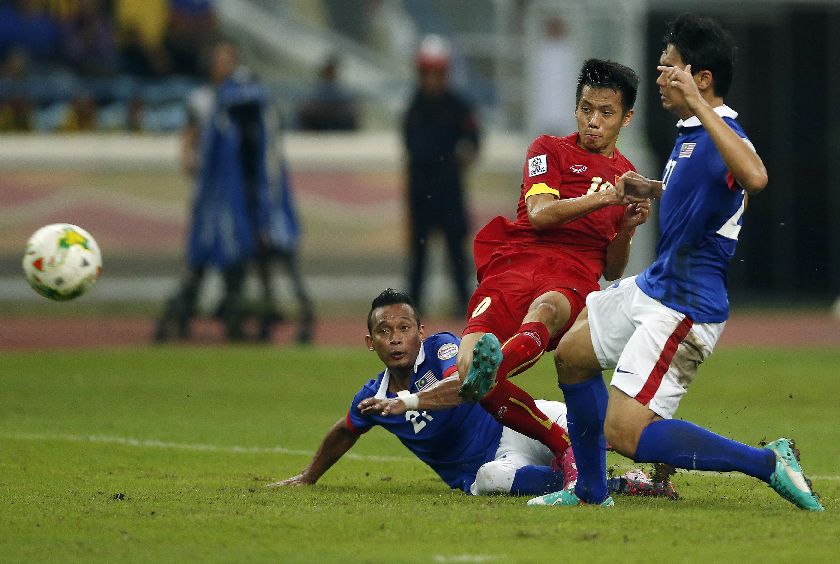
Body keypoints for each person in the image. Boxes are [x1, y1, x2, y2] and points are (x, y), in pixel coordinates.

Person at [528, 14, 823, 511]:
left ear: (700, 79)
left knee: (624, 431)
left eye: (670, 69)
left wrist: (704, 110)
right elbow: (716, 202)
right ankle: (590, 492)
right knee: (573, 353)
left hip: (686, 305)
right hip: (657, 285)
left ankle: (768, 463)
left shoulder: (721, 131)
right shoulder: (689, 135)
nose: (660, 76)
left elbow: (755, 177)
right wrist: (650, 195)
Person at [269, 289, 676, 498]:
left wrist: (408, 401)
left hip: (517, 425)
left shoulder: (444, 348)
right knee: (491, 479)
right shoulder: (374, 398)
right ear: (369, 342)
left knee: (598, 423)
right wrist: (308, 477)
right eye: (385, 332)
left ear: (420, 332)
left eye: (404, 329)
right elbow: (345, 430)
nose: (396, 340)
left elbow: (466, 388)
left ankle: (671, 454)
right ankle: (619, 485)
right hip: (487, 464)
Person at [455, 59, 653, 475]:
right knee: (467, 363)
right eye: (585, 109)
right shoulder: (548, 150)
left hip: (572, 275)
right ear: (575, 108)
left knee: (545, 310)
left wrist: (627, 229)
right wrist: (607, 200)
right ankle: (562, 445)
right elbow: (541, 214)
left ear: (627, 117)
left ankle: (490, 373)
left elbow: (613, 269)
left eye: (606, 113)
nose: (593, 122)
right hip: (514, 263)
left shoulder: (625, 176)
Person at [154, 40, 314, 343]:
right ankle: (191, 316)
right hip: (215, 196)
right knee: (205, 261)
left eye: (230, 59)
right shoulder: (202, 100)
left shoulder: (249, 100)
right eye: (220, 59)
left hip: (245, 198)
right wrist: (193, 163)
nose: (225, 65)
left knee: (242, 262)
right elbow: (190, 141)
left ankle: (236, 318)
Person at [403, 34, 479, 317]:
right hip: (421, 193)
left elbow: (473, 141)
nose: (433, 79)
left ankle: (464, 307)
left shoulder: (459, 106)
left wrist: (466, 152)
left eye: (438, 72)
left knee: (457, 255)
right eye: (428, 72)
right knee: (418, 257)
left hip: (450, 191)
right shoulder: (414, 107)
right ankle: (412, 310)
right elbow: (413, 149)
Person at [297, 54, 359, 131]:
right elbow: (309, 103)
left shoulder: (338, 88)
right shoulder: (319, 87)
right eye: (328, 70)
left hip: (336, 118)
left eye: (331, 70)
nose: (330, 73)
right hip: (320, 118)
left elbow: (347, 103)